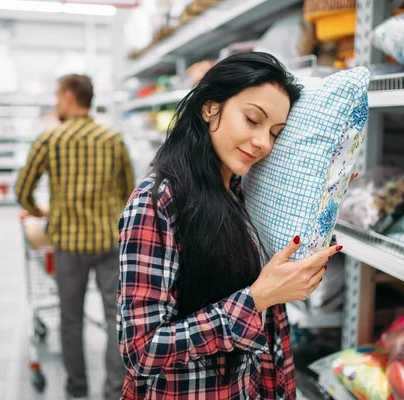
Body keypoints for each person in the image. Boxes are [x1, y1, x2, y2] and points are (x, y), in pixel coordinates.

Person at [117, 52, 345, 399]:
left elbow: (267, 329)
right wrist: (255, 300)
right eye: (252, 119)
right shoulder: (157, 201)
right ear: (210, 107)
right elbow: (141, 349)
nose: (263, 143)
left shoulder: (242, 192)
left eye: (275, 133)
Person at [15, 74, 133, 399]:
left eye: (57, 97)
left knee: (70, 319)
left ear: (69, 97)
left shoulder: (49, 140)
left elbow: (22, 190)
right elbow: (129, 194)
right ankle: (114, 391)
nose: (56, 103)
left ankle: (77, 388)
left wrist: (41, 212)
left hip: (68, 244)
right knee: (115, 318)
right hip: (110, 242)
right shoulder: (113, 139)